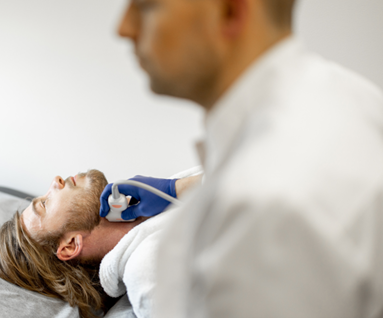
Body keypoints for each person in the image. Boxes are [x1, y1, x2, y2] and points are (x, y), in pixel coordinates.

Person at [98, 0, 383, 317]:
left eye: (147, 7)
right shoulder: (346, 91)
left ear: (229, 11)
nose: (123, 28)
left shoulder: (257, 215)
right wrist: (176, 188)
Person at [0, 169, 202, 318]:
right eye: (45, 203)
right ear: (70, 245)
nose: (56, 181)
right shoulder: (147, 272)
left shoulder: (162, 196)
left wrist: (180, 187)